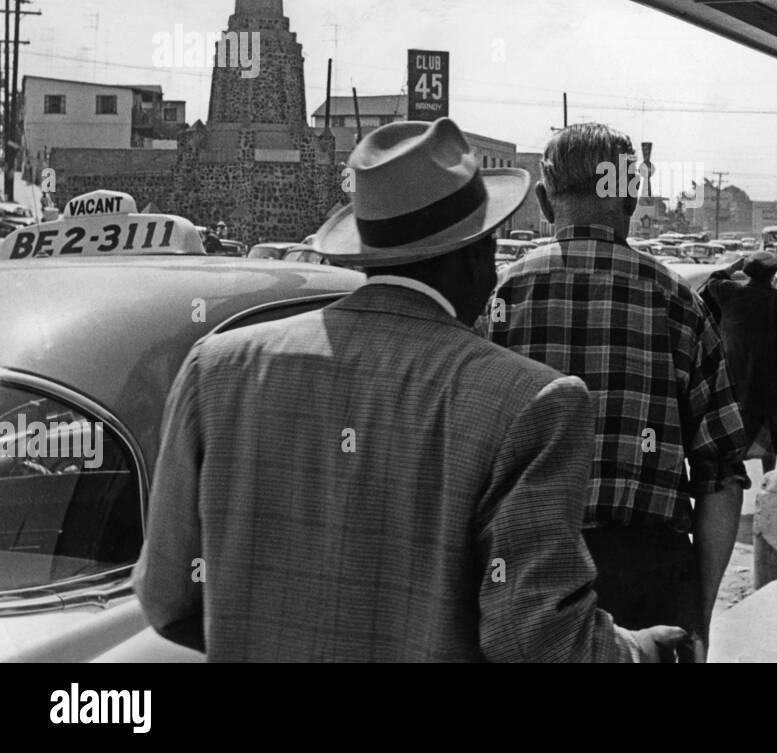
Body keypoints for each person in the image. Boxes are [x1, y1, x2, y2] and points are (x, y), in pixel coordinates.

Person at [135, 118, 686, 662]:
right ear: (476, 254)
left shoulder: (217, 367)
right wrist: (639, 652)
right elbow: (535, 641)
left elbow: (167, 599)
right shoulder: (532, 401)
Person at [487, 123, 749, 656]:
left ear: (542, 200)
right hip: (651, 577)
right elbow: (720, 477)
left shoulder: (501, 298)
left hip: (527, 574)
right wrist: (697, 610)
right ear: (629, 196)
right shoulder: (680, 303)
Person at [699, 250, 777, 474]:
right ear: (775, 273)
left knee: (734, 438)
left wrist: (733, 265)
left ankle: (735, 480)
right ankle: (768, 479)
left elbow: (713, 279)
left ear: (747, 271)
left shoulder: (729, 292)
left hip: (733, 383)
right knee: (771, 440)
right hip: (770, 387)